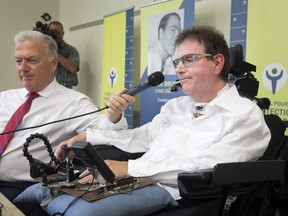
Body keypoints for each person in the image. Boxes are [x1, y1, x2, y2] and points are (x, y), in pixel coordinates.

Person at [14, 25, 271, 216]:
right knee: (36, 193)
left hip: (176, 192)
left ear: (217, 63)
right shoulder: (176, 106)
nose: (179, 69)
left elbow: (207, 166)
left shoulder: (245, 115)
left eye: (189, 60)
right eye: (177, 62)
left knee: (77, 212)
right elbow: (142, 136)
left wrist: (129, 168)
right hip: (138, 179)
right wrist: (89, 137)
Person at [0, 30, 134, 202]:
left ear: (53, 63)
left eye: (32, 60)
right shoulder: (5, 98)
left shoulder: (73, 102)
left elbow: (111, 131)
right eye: (18, 61)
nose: (23, 67)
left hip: (19, 188)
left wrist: (114, 114)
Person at [48, 21, 79, 88]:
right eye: (52, 33)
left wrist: (55, 52)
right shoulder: (44, 49)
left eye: (57, 33)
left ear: (63, 33)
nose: (55, 35)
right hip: (47, 88)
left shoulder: (71, 50)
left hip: (66, 88)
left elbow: (73, 68)